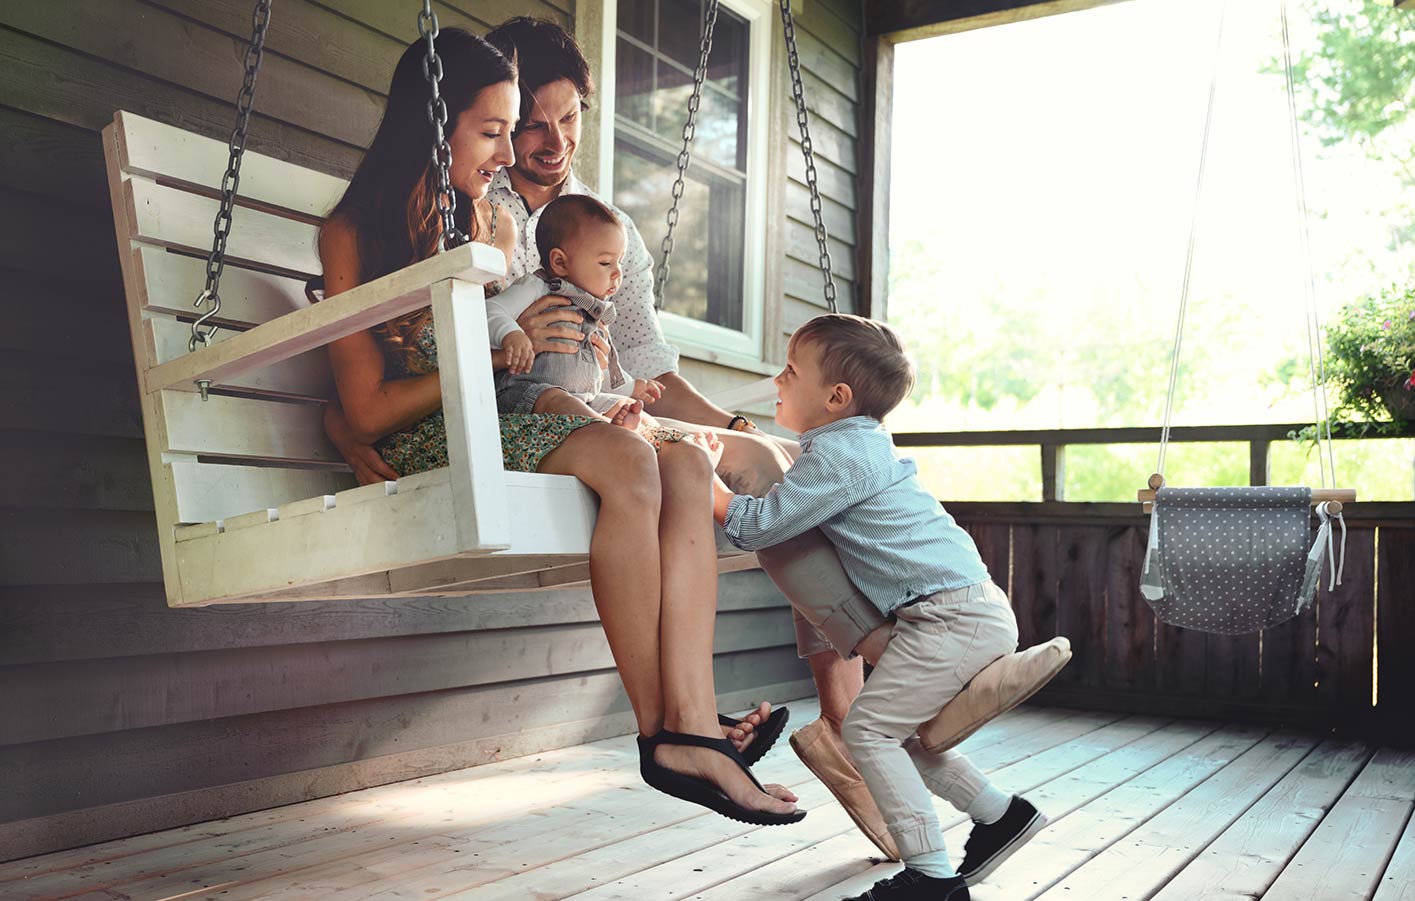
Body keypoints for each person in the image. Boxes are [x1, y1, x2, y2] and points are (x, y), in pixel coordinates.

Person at [316, 27, 800, 826]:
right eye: (494, 131)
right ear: (433, 128)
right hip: (441, 431)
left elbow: (530, 325)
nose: (510, 155)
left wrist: (544, 347)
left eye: (519, 131)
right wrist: (494, 359)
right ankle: (666, 735)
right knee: (632, 459)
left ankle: (693, 716)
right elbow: (368, 406)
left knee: (684, 465)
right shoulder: (355, 232)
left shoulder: (484, 220)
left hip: (503, 416)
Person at [713, 315, 1053, 899]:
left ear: (835, 397)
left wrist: (706, 480)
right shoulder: (852, 444)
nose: (777, 378)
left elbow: (761, 525)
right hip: (960, 611)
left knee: (868, 731)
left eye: (791, 370)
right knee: (903, 736)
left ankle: (929, 877)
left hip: (951, 618)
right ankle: (1000, 814)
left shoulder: (838, 458)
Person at [488, 194, 664, 430]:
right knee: (557, 398)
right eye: (605, 263)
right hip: (529, 395)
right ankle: (608, 430)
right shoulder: (538, 288)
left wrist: (632, 387)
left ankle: (633, 433)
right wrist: (512, 334)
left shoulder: (595, 312)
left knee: (623, 404)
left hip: (582, 399)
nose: (617, 273)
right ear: (560, 263)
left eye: (619, 262)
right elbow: (491, 309)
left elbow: (597, 371)